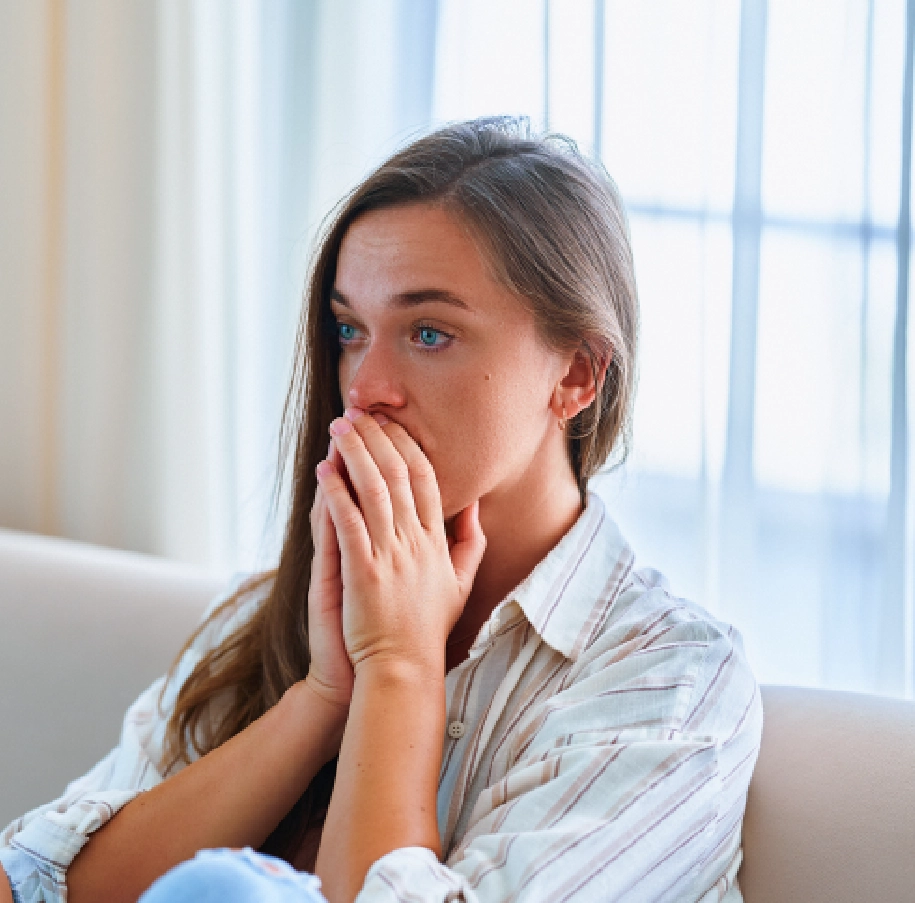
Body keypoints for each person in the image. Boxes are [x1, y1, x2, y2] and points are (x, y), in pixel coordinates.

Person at [0, 117, 762, 903]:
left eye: (429, 332)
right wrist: (322, 699)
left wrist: (398, 668)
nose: (364, 388)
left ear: (576, 373)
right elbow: (32, 890)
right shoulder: (264, 618)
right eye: (348, 330)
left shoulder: (668, 686)